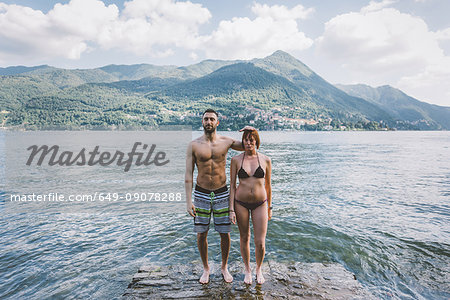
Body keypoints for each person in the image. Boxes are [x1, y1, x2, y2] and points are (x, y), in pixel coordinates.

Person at [185, 109, 253, 284]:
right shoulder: (193, 145)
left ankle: (224, 267)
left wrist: (250, 130)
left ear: (217, 122)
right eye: (206, 119)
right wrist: (188, 201)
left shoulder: (226, 141)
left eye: (212, 119)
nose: (208, 121)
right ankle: (206, 268)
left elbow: (249, 145)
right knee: (201, 234)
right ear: (202, 122)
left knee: (225, 233)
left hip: (222, 193)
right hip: (201, 193)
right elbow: (188, 174)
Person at [229, 129, 272, 285]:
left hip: (261, 203)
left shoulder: (266, 160)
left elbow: (268, 186)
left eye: (251, 140)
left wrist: (270, 207)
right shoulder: (235, 160)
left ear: (256, 141)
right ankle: (247, 269)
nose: (248, 143)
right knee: (244, 237)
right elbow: (232, 186)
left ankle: (258, 269)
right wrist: (231, 209)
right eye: (246, 140)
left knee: (260, 242)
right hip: (240, 203)